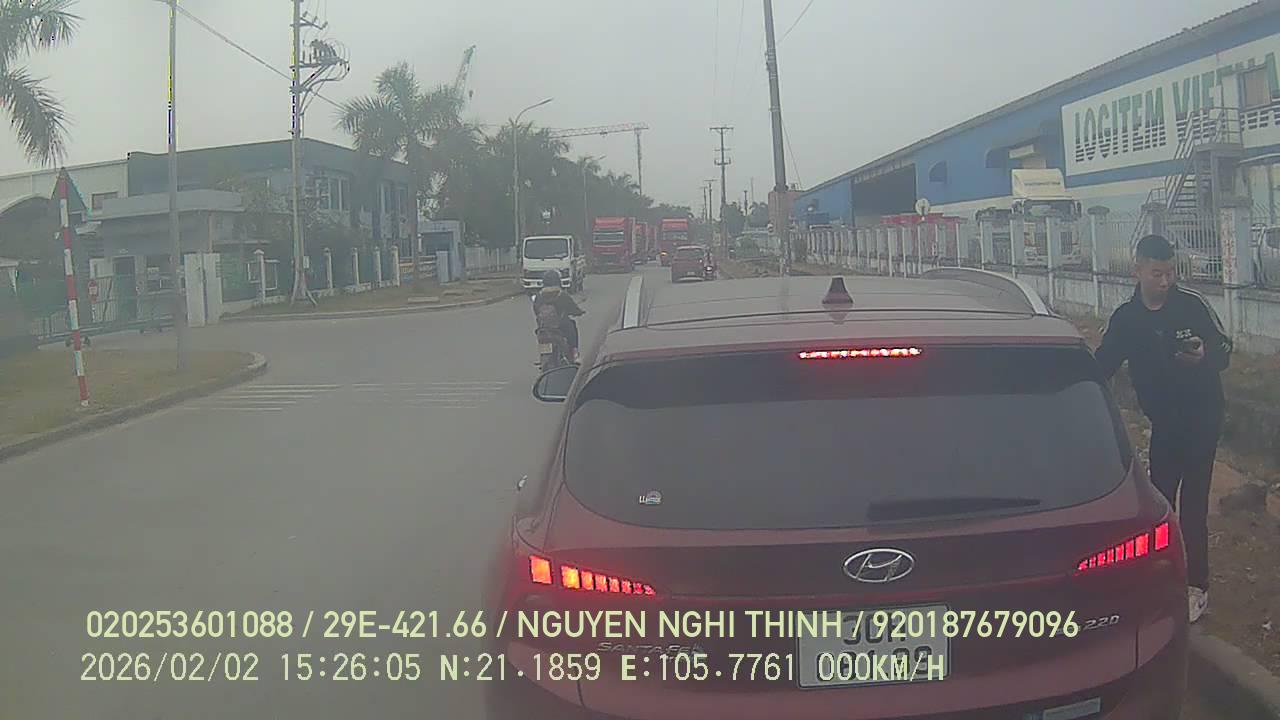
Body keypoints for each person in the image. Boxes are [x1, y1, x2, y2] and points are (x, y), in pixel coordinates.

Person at [1094, 234, 1232, 624]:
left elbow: (1224, 349)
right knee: (1160, 504)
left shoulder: (1192, 305)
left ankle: (1196, 586)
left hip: (1203, 417)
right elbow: (1102, 364)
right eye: (1157, 273)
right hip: (1165, 423)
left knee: (1194, 506)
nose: (1166, 281)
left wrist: (1204, 356)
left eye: (1171, 273)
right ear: (1137, 271)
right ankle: (1159, 577)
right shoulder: (1127, 319)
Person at [532, 269, 585, 362]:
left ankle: (543, 358)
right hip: (561, 327)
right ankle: (575, 352)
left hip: (543, 328)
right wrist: (579, 312)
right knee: (572, 325)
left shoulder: (538, 296)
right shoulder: (562, 295)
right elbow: (573, 308)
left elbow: (536, 310)